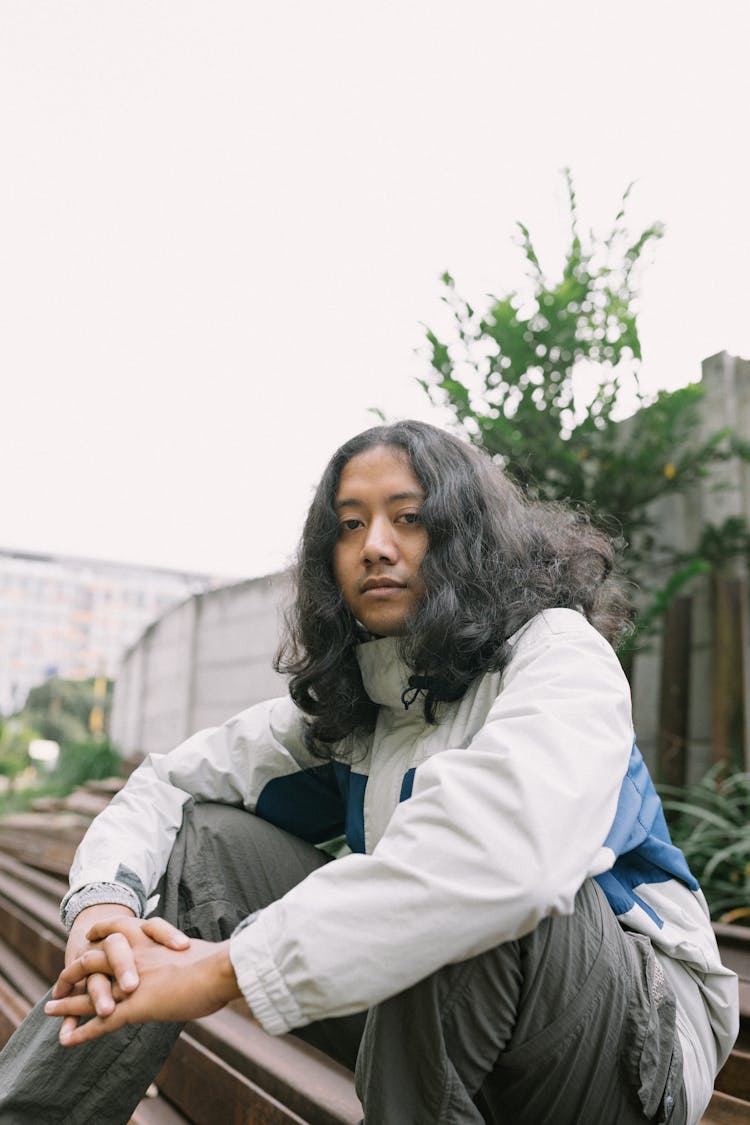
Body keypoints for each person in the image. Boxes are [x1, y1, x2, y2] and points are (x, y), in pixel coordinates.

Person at [0, 421, 739, 1125]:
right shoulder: (364, 702)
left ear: (466, 536)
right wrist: (104, 910)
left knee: (463, 893)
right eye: (350, 524)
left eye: (408, 517)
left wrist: (226, 968)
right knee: (210, 842)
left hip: (630, 1050)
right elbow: (171, 782)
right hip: (443, 1022)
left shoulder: (557, 655)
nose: (375, 546)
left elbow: (506, 866)